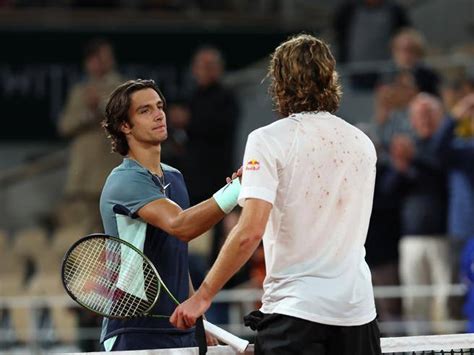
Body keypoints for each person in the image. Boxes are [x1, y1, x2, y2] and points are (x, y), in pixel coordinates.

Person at [171, 34, 382, 355]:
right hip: (358, 316)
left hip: (296, 314)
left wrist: (202, 296)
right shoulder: (362, 142)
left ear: (279, 82)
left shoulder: (267, 140)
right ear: (330, 78)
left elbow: (249, 232)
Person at [99, 79, 241, 351]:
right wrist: (237, 190)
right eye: (145, 110)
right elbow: (181, 226)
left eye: (160, 106)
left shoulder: (174, 178)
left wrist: (198, 316)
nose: (158, 114)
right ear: (124, 126)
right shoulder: (124, 181)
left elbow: (177, 253)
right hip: (133, 330)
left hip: (177, 327)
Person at [57, 38, 123, 233]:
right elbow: (65, 126)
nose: (102, 62)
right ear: (89, 62)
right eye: (97, 58)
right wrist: (88, 113)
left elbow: (125, 116)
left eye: (105, 58)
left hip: (111, 173)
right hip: (84, 176)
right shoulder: (79, 92)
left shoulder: (122, 87)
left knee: (114, 234)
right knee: (83, 236)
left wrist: (101, 106)